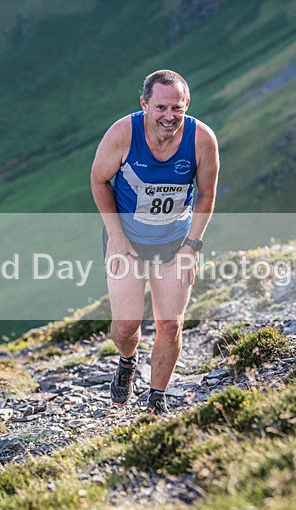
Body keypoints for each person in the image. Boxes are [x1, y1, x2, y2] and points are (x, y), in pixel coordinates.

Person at [90, 69, 220, 415]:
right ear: (145, 104)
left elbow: (207, 194)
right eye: (161, 107)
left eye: (177, 108)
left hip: (175, 242)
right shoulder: (122, 133)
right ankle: (128, 361)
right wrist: (116, 237)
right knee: (124, 327)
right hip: (128, 240)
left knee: (170, 324)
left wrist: (192, 247)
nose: (169, 116)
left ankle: (156, 399)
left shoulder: (201, 139)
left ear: (187, 104)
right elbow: (98, 181)